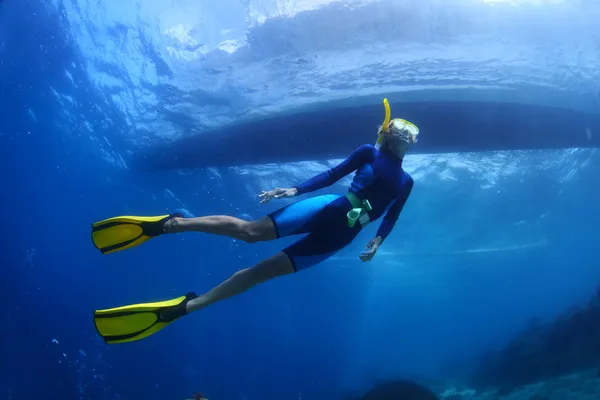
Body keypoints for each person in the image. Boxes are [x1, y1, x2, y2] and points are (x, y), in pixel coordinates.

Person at [91, 99, 418, 344]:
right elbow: (333, 174)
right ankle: (171, 224)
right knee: (250, 232)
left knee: (262, 273)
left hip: (341, 237)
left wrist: (378, 240)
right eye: (402, 127)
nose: (407, 133)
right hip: (329, 207)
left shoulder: (407, 182)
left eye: (412, 132)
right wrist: (294, 189)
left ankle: (187, 307)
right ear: (388, 133)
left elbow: (392, 214)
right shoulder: (368, 152)